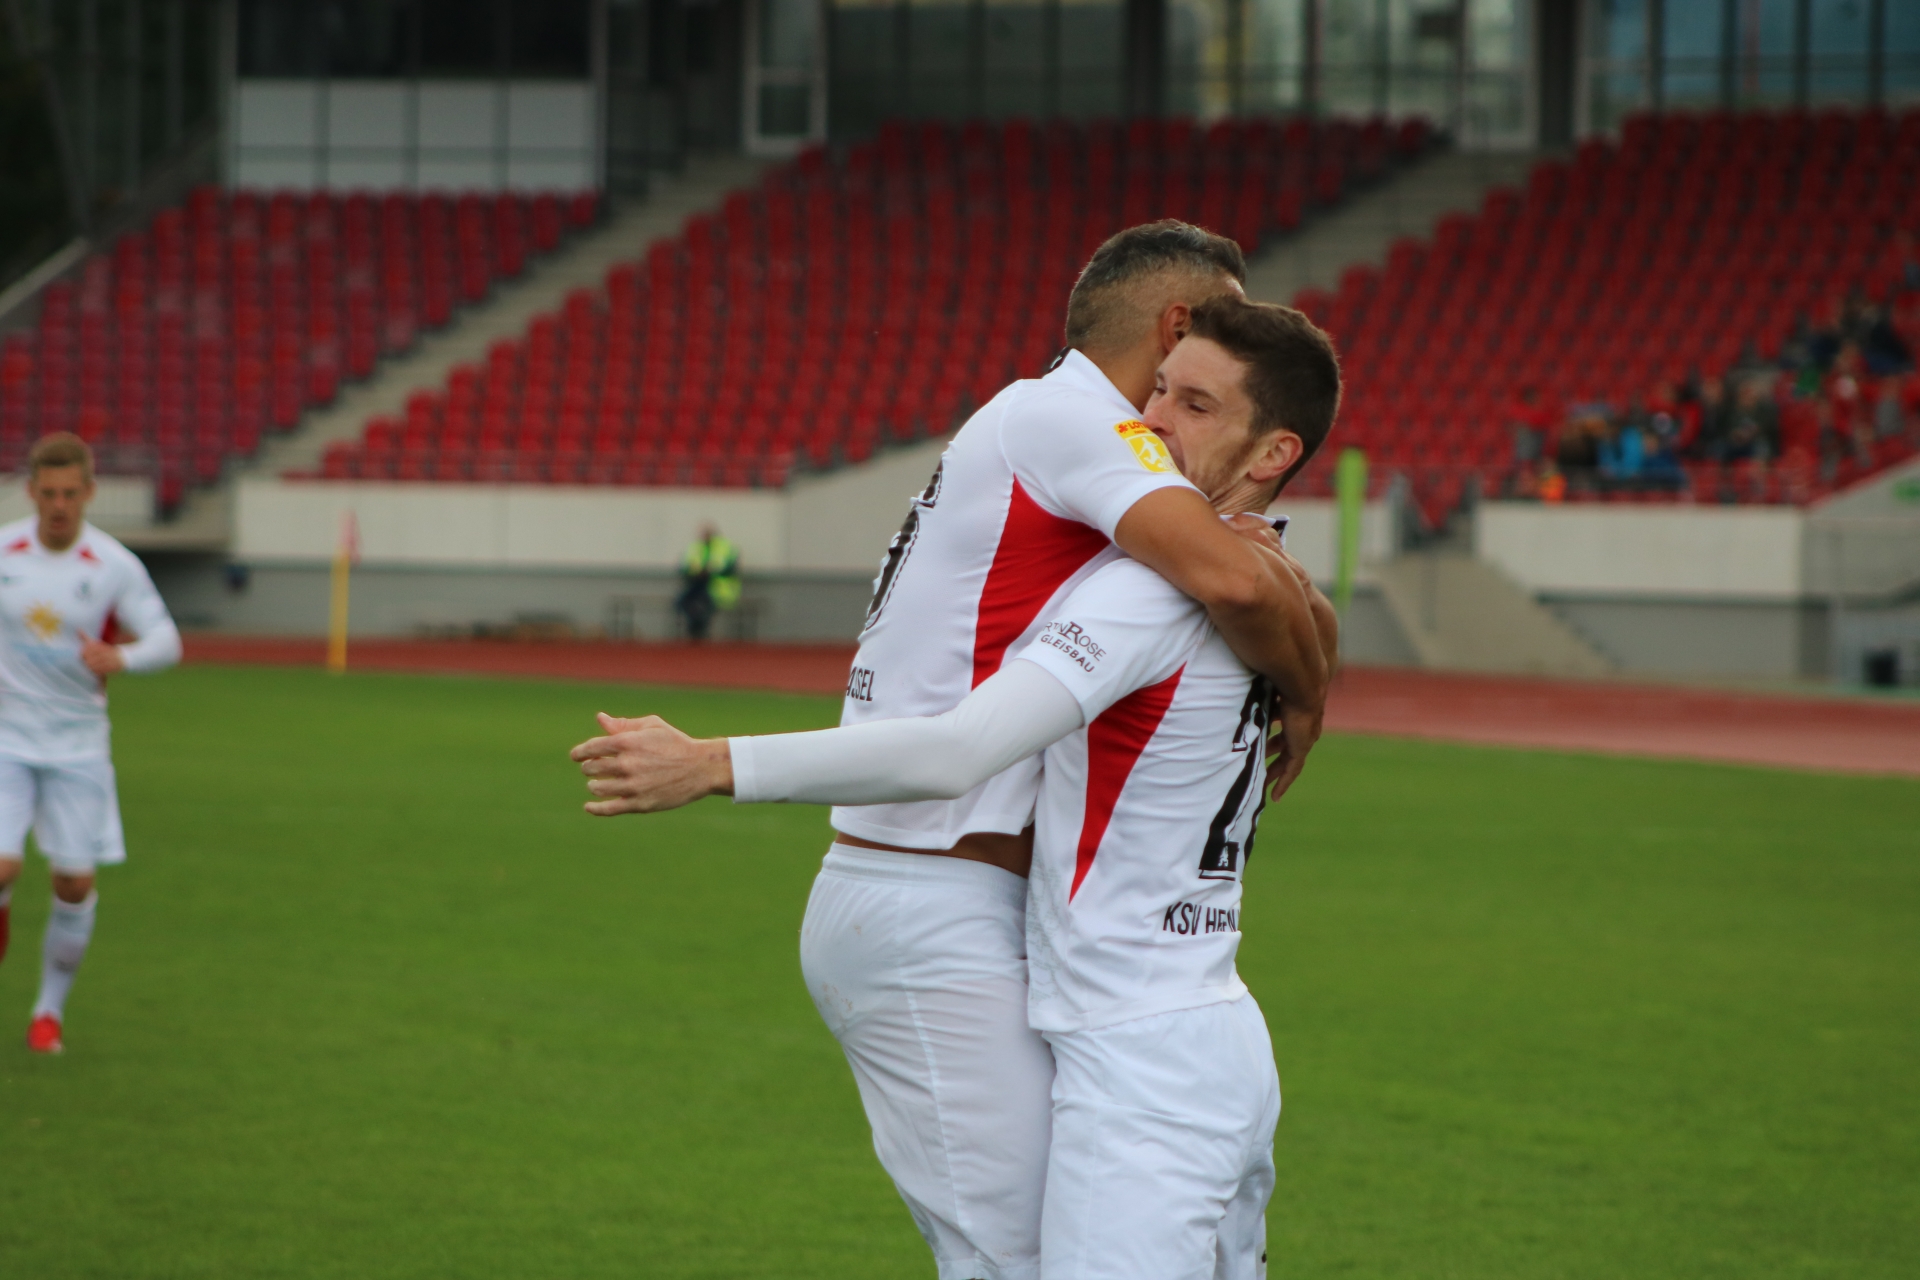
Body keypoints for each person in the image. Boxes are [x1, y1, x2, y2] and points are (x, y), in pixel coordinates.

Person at [586, 224, 1333, 1280]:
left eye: (1198, 402)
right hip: (938, 900)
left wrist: (1303, 657)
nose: (1167, 416)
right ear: (1175, 327)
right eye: (1182, 376)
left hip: (999, 926)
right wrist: (1309, 687)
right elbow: (1244, 578)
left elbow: (1254, 575)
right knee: (1021, 1262)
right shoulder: (1082, 423)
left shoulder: (1061, 435)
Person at [0, 433, 181, 1055]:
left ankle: (47, 1012)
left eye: (70, 493)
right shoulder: (5, 551)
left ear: (89, 493)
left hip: (78, 745)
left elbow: (167, 640)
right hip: (7, 738)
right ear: (31, 492)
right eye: (49, 493)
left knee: (74, 885)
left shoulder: (112, 565)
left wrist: (121, 657)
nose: (59, 505)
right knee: (1, 866)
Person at [674, 523, 739, 642]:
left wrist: (711, 572)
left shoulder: (724, 547)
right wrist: (695, 573)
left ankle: (700, 630)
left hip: (716, 588)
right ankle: (694, 625)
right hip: (696, 584)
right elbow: (684, 568)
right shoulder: (695, 547)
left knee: (706, 605)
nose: (705, 536)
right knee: (680, 602)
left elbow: (730, 568)